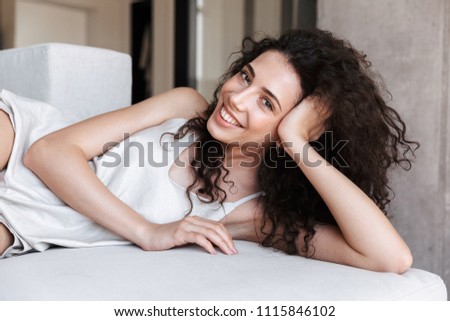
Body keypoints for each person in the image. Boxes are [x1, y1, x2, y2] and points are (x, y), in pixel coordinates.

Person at [0, 29, 418, 273]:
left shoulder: (255, 215)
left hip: (27, 225)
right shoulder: (186, 105)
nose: (237, 96)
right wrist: (149, 232)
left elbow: (391, 257)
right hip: (18, 139)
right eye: (245, 76)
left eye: (267, 102)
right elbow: (49, 152)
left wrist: (295, 140)